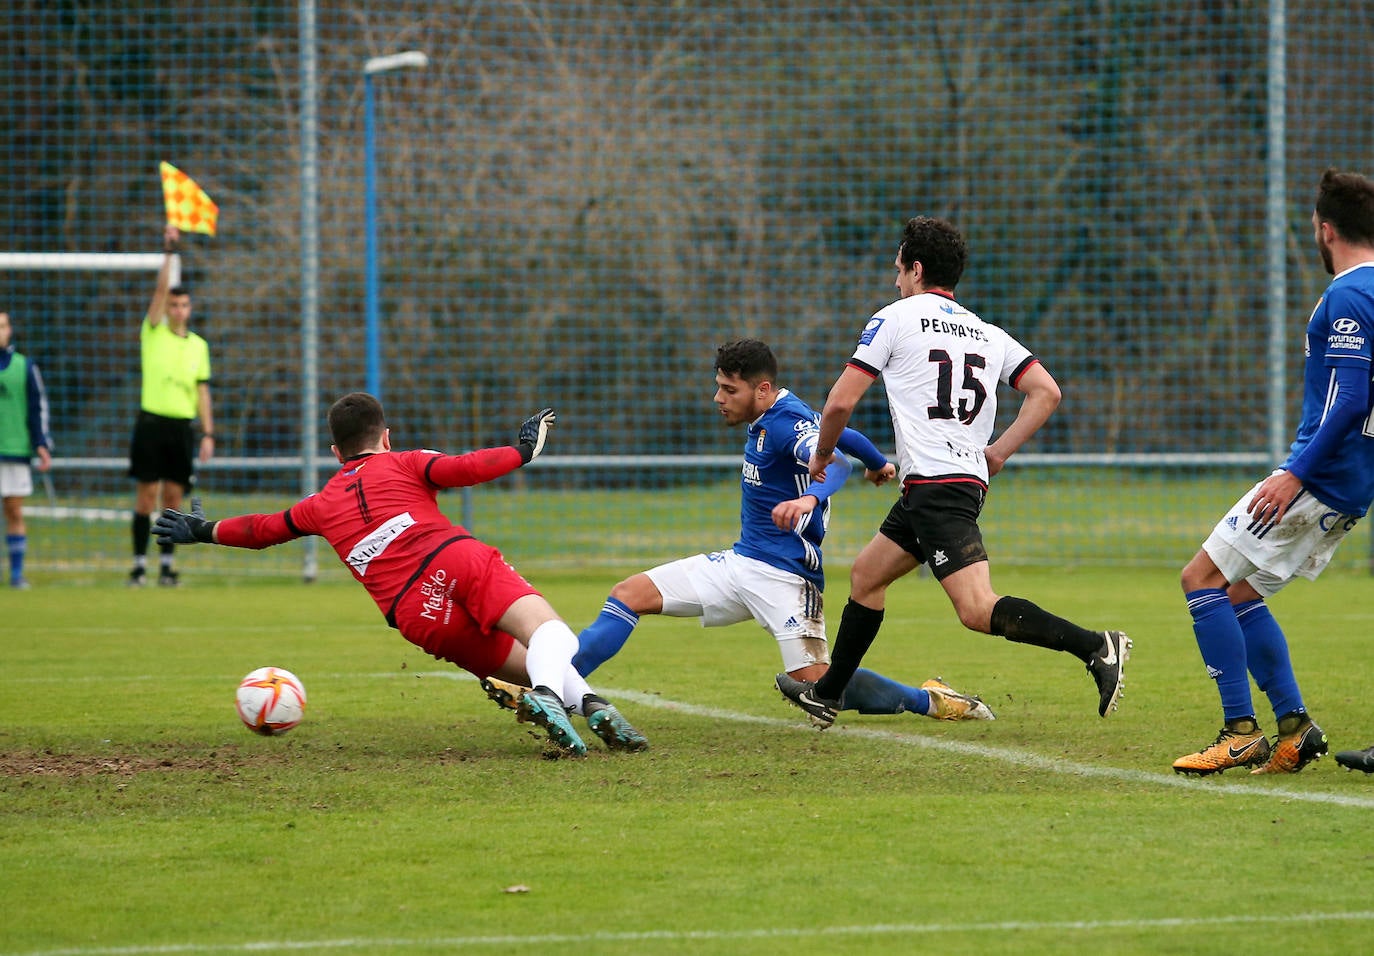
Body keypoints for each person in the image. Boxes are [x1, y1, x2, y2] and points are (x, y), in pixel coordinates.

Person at [486, 339, 995, 723]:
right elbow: (842, 435)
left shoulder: (784, 425)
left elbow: (832, 460)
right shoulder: (780, 415)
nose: (718, 398)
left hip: (787, 580)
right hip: (739, 565)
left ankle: (930, 700)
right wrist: (880, 462)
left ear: (762, 389)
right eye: (719, 386)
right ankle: (551, 689)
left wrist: (809, 497)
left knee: (817, 683)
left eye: (729, 389)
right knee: (628, 594)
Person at [775, 216, 1130, 729]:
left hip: (936, 487)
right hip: (955, 482)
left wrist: (822, 455)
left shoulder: (895, 318)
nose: (896, 281)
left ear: (916, 270)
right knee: (867, 576)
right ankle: (827, 693)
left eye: (899, 270)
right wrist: (998, 452)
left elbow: (838, 404)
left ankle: (1096, 647)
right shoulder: (988, 333)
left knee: (975, 608)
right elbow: (1046, 392)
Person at [153, 391, 647, 758]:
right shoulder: (406, 462)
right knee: (548, 633)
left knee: (528, 663)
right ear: (386, 437)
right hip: (453, 560)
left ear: (335, 452)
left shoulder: (319, 505)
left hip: (414, 613)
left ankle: (596, 708)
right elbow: (468, 466)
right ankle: (546, 697)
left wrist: (205, 530)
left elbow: (263, 529)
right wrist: (522, 450)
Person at [1172, 168, 1374, 777]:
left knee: (1200, 577)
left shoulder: (1348, 295)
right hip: (1350, 482)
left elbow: (1352, 398)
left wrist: (1295, 474)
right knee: (1238, 594)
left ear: (1326, 228)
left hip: (1318, 478)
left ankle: (1240, 731)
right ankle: (1295, 729)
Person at [128, 224, 215, 588]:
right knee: (146, 496)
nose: (178, 309)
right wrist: (169, 251)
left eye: (183, 304)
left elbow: (202, 390)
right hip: (151, 423)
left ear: (190, 309)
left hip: (182, 427)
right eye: (173, 304)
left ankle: (166, 566)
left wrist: (208, 432)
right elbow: (160, 290)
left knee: (173, 497)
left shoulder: (198, 345)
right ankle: (138, 566)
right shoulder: (153, 332)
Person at [0, 311, 53, 589]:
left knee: (14, 512)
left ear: (9, 330)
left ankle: (17, 574)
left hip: (14, 449)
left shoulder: (24, 366)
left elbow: (37, 408)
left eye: (2, 326)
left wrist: (41, 444)